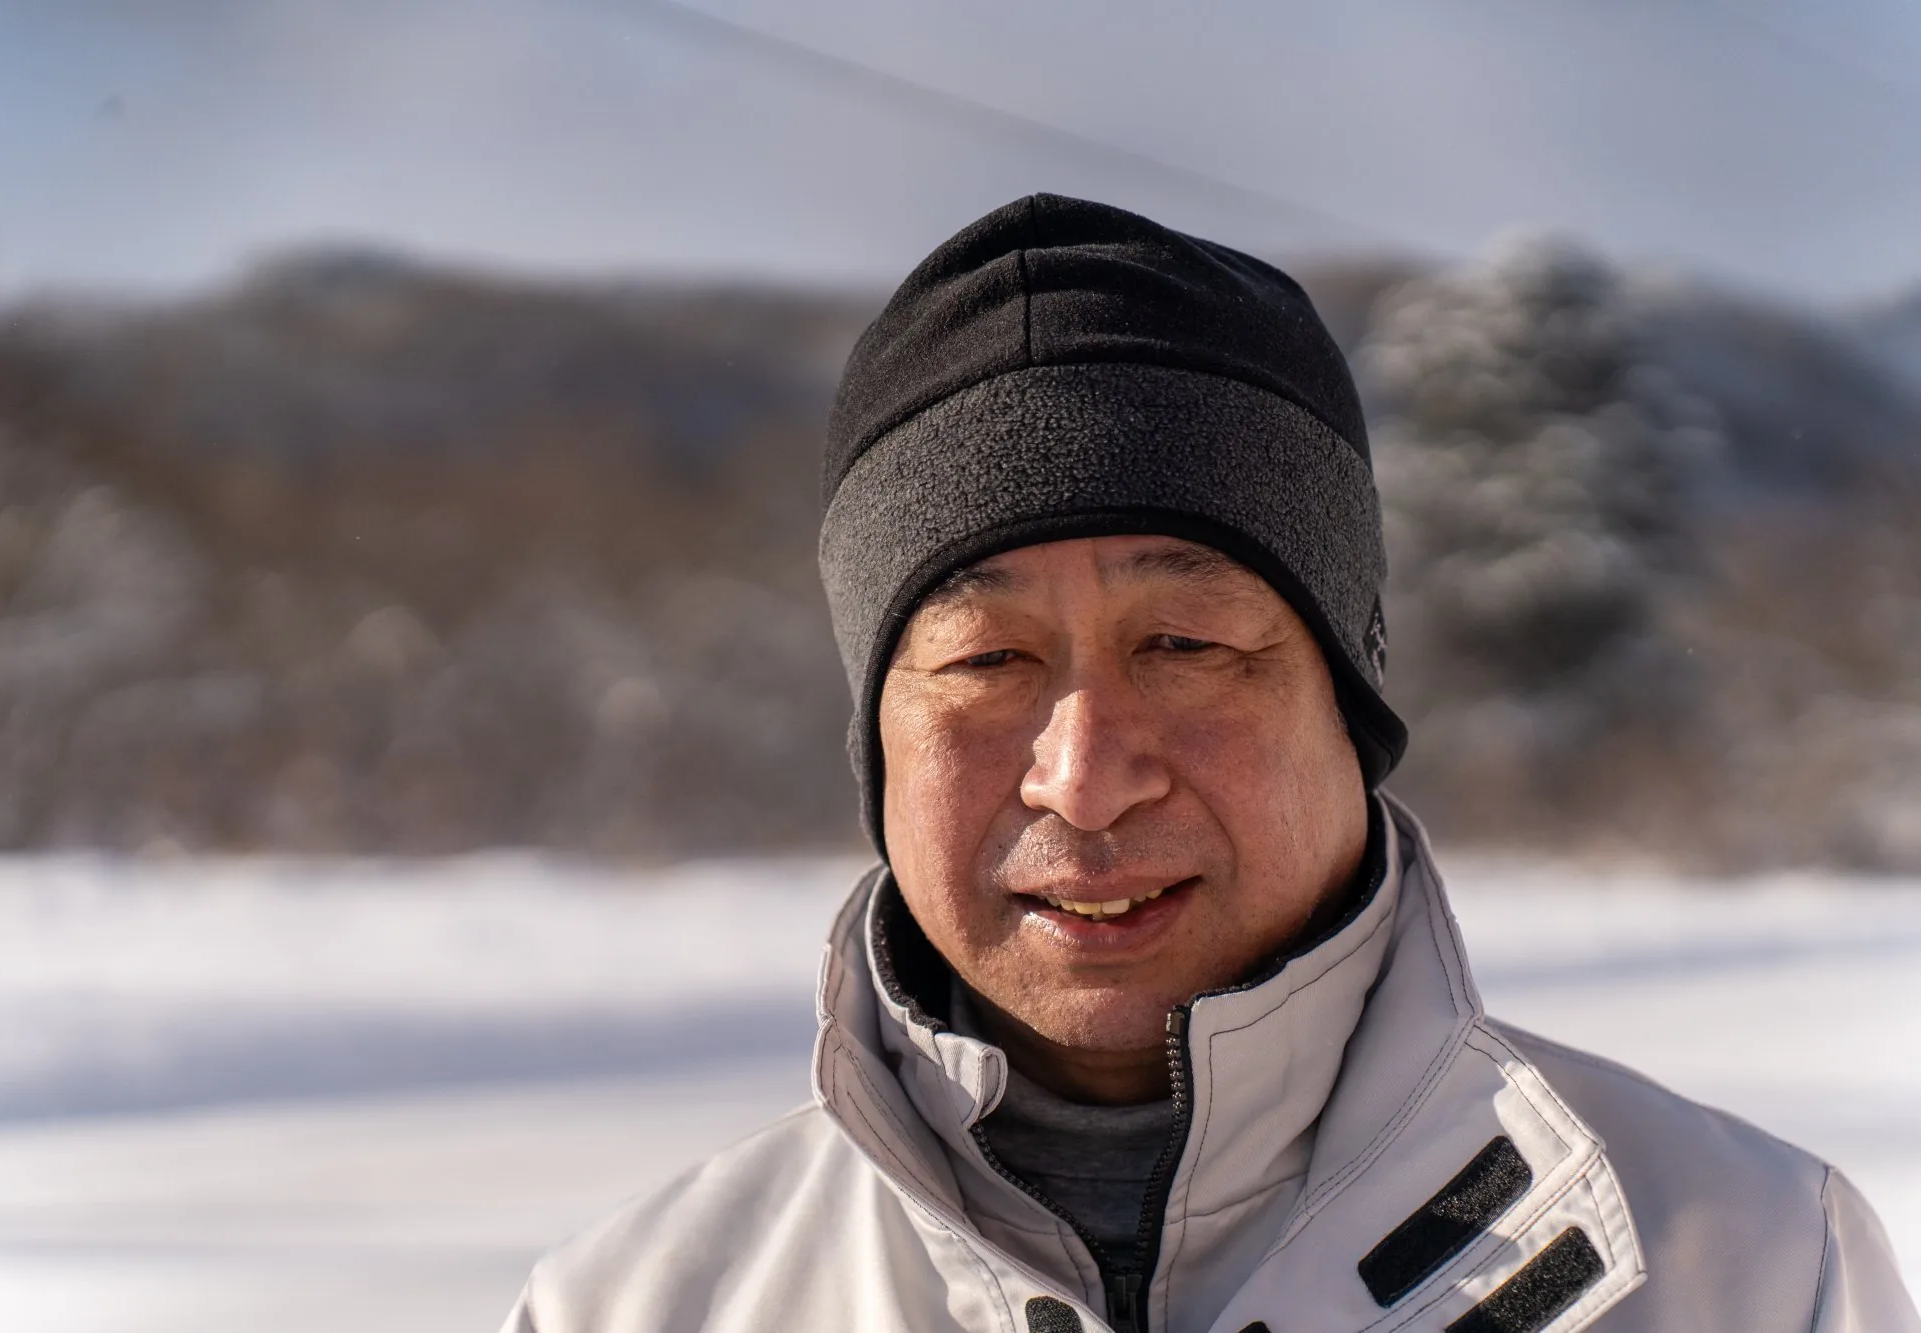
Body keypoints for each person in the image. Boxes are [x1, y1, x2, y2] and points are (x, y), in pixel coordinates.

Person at [502, 195, 1917, 1333]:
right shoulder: (632, 1308)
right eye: (983, 664)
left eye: (1185, 643)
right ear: (878, 739)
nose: (1084, 776)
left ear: (1348, 702)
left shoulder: (1741, 1265)